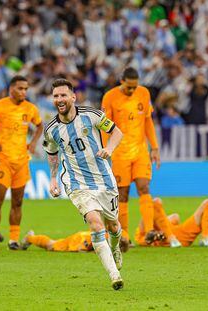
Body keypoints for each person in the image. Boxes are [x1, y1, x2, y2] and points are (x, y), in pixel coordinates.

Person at [43, 78, 124, 290]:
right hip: (76, 183)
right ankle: (114, 275)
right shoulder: (51, 129)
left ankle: (115, 249)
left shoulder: (92, 115)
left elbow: (117, 132)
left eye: (63, 95)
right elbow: (51, 153)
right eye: (56, 96)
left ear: (73, 97)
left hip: (104, 180)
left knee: (113, 226)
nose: (59, 99)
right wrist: (53, 177)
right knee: (95, 223)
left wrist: (110, 149)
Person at [0, 75, 43, 251]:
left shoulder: (30, 109)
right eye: (20, 88)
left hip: (22, 162)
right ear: (11, 89)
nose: (23, 92)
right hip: (4, 161)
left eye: (26, 89)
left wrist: (32, 143)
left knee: (17, 202)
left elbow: (39, 126)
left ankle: (13, 240)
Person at [101, 67, 160, 246]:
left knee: (144, 186)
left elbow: (148, 121)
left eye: (135, 87)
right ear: (121, 81)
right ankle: (124, 236)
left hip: (140, 150)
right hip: (120, 152)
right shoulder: (110, 97)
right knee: (123, 193)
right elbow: (104, 126)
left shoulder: (144, 93)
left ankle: (149, 230)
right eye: (129, 87)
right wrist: (105, 150)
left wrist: (155, 147)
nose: (132, 90)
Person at [133, 198, 208, 249]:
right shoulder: (142, 236)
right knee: (156, 202)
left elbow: (175, 218)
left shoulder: (159, 223)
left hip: (178, 236)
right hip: (177, 238)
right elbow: (144, 238)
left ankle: (205, 238)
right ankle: (172, 239)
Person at [21, 230, 93, 252]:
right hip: (81, 240)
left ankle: (30, 238)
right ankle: (29, 238)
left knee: (55, 243)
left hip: (85, 236)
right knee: (51, 245)